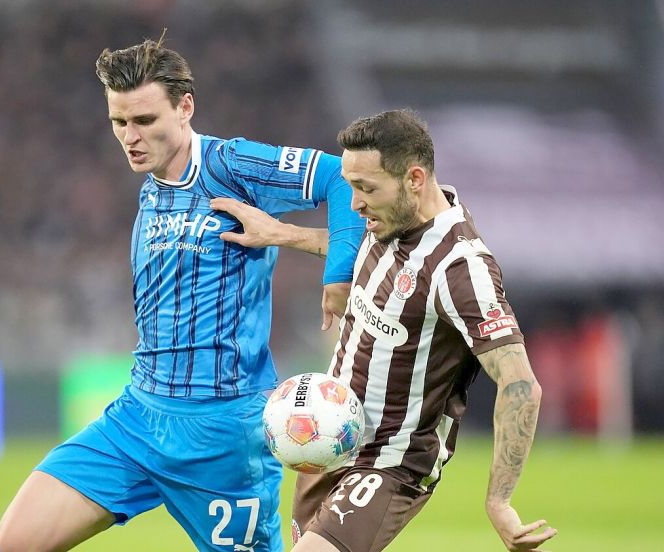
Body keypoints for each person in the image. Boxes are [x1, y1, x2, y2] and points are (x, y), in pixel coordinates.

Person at [0, 36, 364, 552]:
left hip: (222, 435)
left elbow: (342, 179)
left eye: (144, 121)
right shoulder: (153, 184)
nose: (129, 137)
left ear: (185, 107)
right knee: (12, 544)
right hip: (137, 418)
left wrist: (338, 277)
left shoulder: (230, 165)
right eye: (119, 122)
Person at [220, 109, 556, 552]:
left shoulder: (460, 268)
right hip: (324, 443)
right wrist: (279, 233)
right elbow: (355, 249)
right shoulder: (393, 219)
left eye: (366, 188)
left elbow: (520, 385)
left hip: (387, 464)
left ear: (415, 178)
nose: (354, 203)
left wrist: (500, 499)